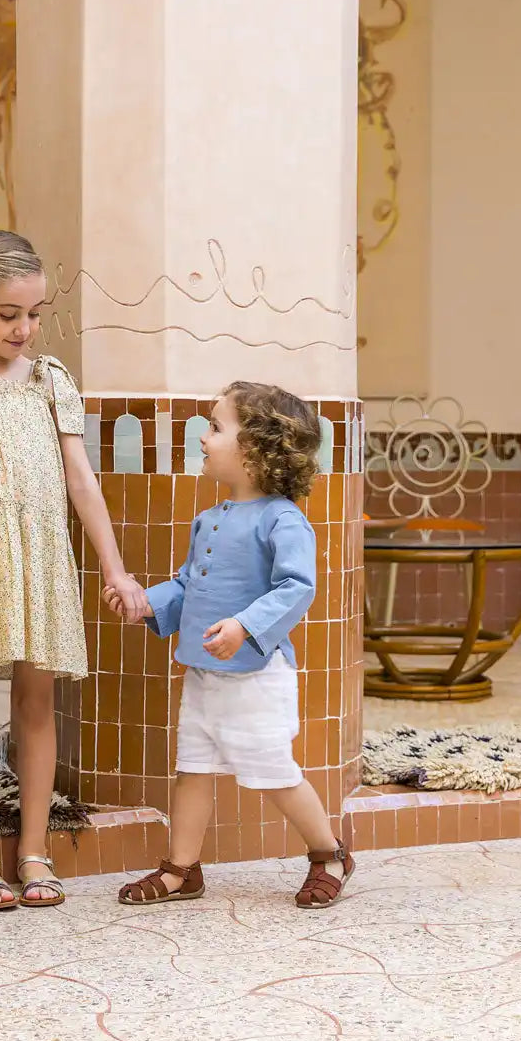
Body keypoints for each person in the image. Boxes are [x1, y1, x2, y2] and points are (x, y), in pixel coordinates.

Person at [0, 230, 148, 911]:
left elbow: (81, 479)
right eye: (9, 314)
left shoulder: (50, 382)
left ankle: (33, 849)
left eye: (35, 313)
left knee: (38, 705)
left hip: (40, 555)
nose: (25, 328)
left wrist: (115, 567)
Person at [107, 382, 353, 909]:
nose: (203, 436)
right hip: (204, 674)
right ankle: (181, 870)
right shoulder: (210, 519)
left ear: (257, 449)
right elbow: (187, 584)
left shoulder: (282, 518)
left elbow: (296, 587)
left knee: (273, 772)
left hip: (257, 678)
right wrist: (147, 604)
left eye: (216, 427)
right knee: (193, 769)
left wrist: (244, 625)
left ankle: (329, 853)